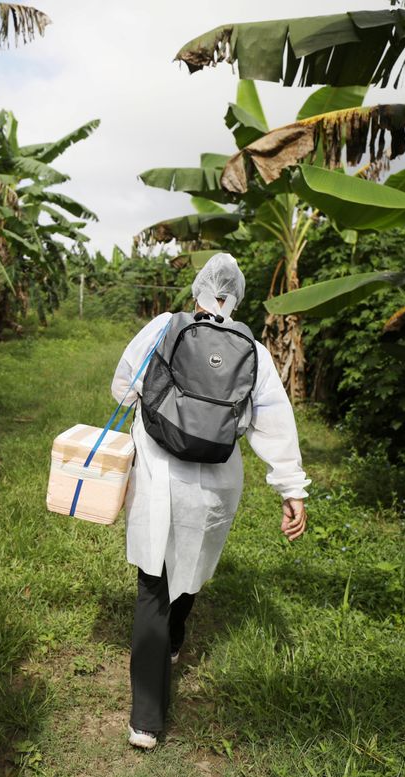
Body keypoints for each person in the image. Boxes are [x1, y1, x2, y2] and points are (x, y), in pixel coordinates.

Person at [110, 253, 309, 750]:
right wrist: (291, 488)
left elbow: (122, 387)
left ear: (196, 291)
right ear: (236, 298)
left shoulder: (163, 327)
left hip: (159, 474)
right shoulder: (254, 351)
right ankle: (176, 639)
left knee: (153, 581)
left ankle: (146, 721)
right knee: (193, 565)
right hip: (217, 479)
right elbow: (274, 423)